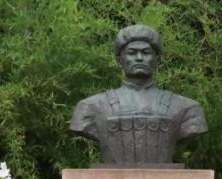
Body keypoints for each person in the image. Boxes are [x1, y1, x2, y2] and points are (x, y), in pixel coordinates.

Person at [70, 24, 207, 165]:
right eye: (132, 53)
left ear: (158, 59)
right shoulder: (90, 107)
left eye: (146, 53)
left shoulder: (187, 109)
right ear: (119, 60)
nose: (139, 58)